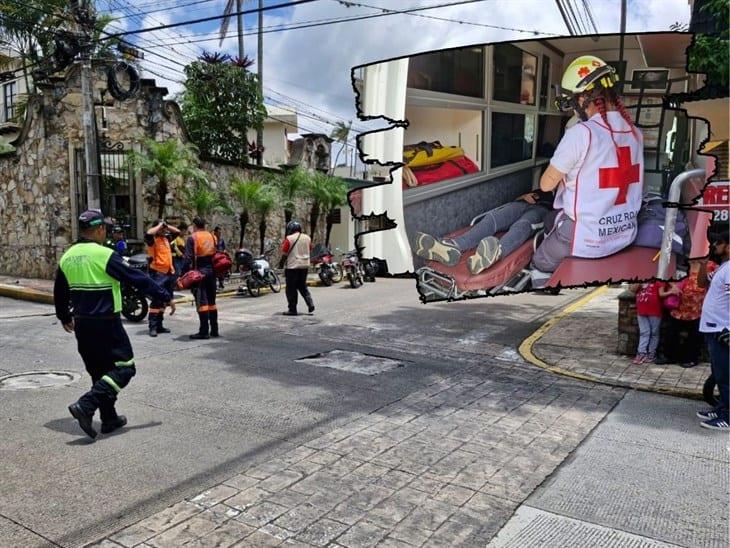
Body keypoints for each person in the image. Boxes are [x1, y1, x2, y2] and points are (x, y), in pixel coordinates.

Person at [54, 209, 173, 440]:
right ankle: (86, 406)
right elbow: (136, 278)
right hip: (106, 322)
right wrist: (163, 294)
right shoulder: (104, 255)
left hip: (82, 324)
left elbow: (60, 290)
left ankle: (109, 419)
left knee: (99, 371)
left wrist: (63, 316)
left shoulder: (67, 257)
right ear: (99, 229)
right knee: (125, 367)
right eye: (105, 228)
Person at [532, 55, 643, 274]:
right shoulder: (635, 132)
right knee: (549, 221)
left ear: (584, 98)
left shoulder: (581, 133)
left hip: (587, 236)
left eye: (574, 100)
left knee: (539, 262)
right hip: (623, 234)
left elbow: (545, 185)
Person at [413, 190, 554, 274]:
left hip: (542, 210)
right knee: (492, 218)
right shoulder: (540, 186)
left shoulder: (564, 192)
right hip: (522, 203)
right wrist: (523, 197)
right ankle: (453, 246)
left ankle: (496, 251)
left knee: (523, 225)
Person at [696, 225, 729, 430]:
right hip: (712, 328)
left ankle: (728, 416)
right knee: (718, 373)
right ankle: (721, 408)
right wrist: (702, 264)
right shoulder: (722, 268)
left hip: (722, 329)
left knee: (726, 376)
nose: (714, 245)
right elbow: (702, 284)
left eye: (718, 242)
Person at [662, 259, 717, 367]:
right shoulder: (682, 261)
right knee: (672, 333)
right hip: (679, 306)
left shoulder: (711, 265)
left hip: (698, 309)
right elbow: (665, 274)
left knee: (695, 336)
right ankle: (670, 357)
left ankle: (690, 358)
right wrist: (673, 286)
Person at [185, 216, 219, 339]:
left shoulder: (193, 238)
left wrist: (183, 275)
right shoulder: (212, 236)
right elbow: (216, 251)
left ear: (194, 225)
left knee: (202, 303)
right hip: (212, 271)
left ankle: (204, 332)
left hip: (200, 272)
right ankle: (214, 330)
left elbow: (188, 258)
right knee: (212, 302)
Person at [145, 220, 180, 337]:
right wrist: (159, 225)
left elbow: (177, 232)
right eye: (162, 228)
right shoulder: (152, 239)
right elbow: (149, 233)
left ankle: (159, 325)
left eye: (164, 228)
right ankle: (153, 327)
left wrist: (166, 225)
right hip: (158, 274)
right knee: (156, 301)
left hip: (168, 273)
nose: (164, 230)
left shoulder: (166, 239)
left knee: (164, 301)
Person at [281, 220, 314, 316]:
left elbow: (284, 252)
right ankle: (310, 303)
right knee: (302, 286)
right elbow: (310, 249)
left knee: (291, 288)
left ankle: (292, 309)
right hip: (304, 265)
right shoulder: (307, 238)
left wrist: (281, 263)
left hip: (293, 266)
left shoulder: (289, 238)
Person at [630, 280, 666, 364]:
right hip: (642, 310)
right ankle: (641, 353)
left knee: (654, 333)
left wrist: (671, 292)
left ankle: (651, 354)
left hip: (655, 310)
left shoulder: (660, 280)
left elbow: (661, 294)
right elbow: (632, 289)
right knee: (644, 333)